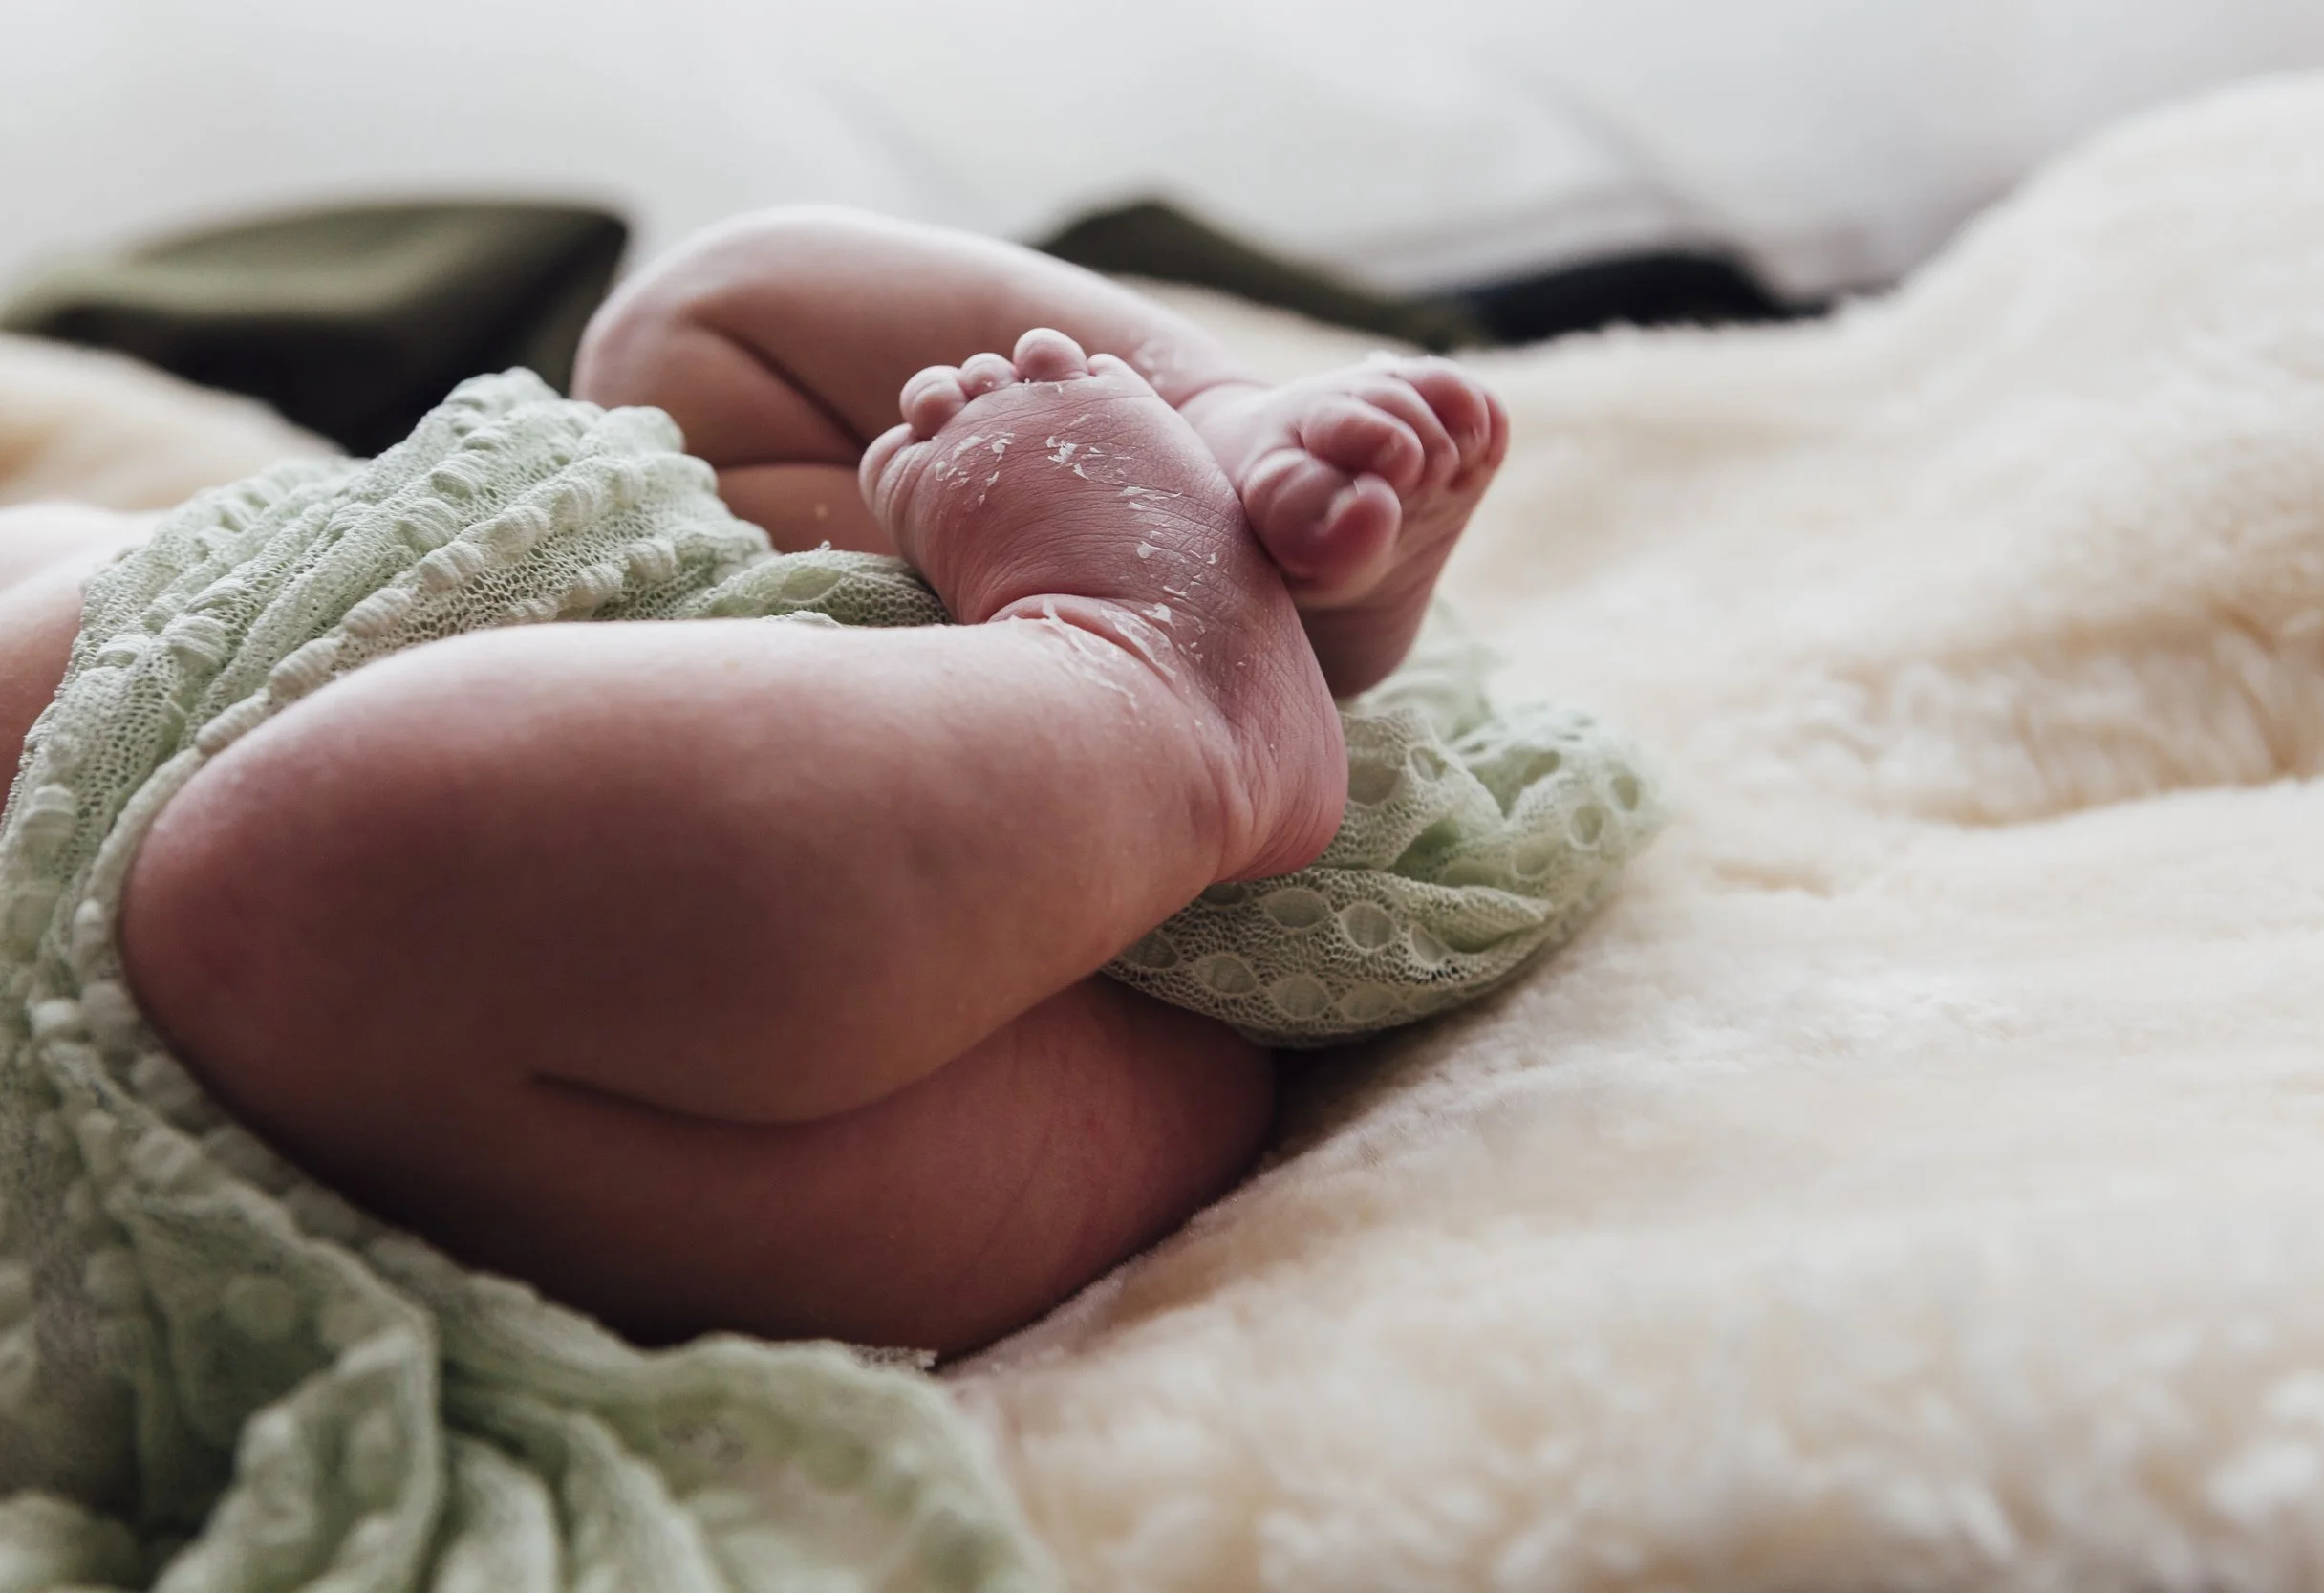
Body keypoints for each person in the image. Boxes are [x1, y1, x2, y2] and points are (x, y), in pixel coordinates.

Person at [0, 208, 1508, 1353]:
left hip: (689, 560)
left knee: (696, 309)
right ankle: (1153, 689)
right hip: (568, 1033)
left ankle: (1221, 457)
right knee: (295, 892)